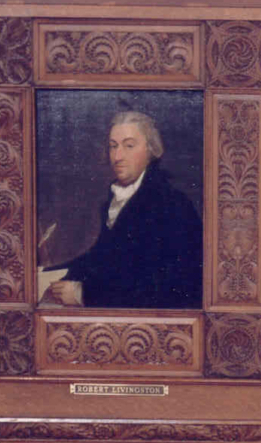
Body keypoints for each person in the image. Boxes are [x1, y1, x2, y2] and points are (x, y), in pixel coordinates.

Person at [41, 109, 203, 309]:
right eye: (113, 146)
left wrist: (83, 294)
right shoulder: (114, 200)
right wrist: (56, 274)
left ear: (151, 150)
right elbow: (102, 257)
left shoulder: (171, 205)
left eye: (129, 146)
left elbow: (162, 287)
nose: (117, 156)